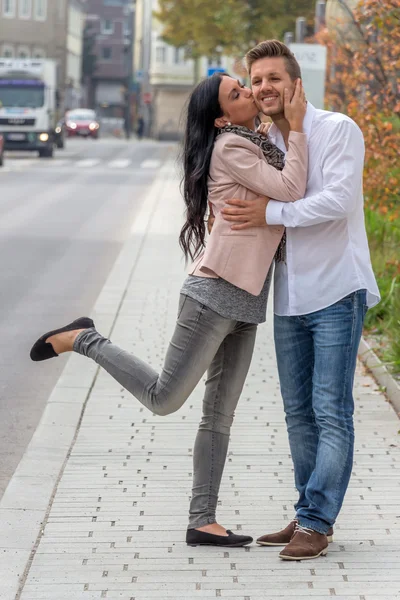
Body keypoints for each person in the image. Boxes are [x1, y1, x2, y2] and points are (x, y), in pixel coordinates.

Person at [30, 73, 307, 548]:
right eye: (237, 93)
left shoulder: (256, 141)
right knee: (164, 398)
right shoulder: (231, 148)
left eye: (243, 85)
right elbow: (291, 188)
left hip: (248, 299)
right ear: (222, 117)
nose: (248, 93)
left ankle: (203, 521)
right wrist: (298, 127)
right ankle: (84, 338)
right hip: (212, 294)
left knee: (220, 416)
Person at [220, 40, 380, 561]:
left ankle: (317, 520)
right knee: (297, 413)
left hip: (336, 287)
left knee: (331, 410)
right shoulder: (265, 140)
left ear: (295, 82)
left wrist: (269, 214)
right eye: (257, 79)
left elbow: (339, 201)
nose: (264, 87)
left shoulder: (337, 129)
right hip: (289, 294)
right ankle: (307, 508)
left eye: (273, 78)